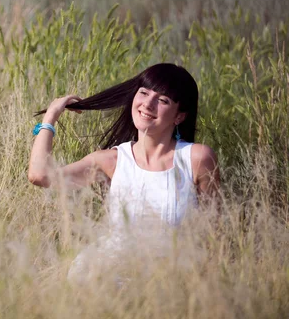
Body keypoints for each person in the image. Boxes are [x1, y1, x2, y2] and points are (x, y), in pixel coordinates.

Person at [27, 63, 220, 283]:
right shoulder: (112, 160)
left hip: (170, 286)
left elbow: (211, 236)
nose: (148, 103)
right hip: (104, 280)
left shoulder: (197, 159)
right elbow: (39, 175)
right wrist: (51, 116)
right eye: (144, 93)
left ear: (179, 116)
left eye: (163, 100)